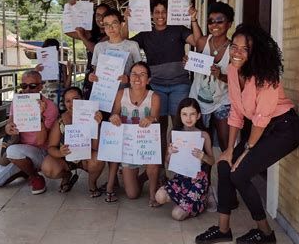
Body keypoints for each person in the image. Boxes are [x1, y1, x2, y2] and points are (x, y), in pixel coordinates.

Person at [195, 24, 299, 244]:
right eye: (234, 47)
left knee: (240, 173)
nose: (237, 53)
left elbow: (262, 119)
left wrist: (245, 152)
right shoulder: (234, 71)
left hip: (283, 129)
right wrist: (229, 149)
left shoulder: (266, 77)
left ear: (255, 52)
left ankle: (265, 232)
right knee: (225, 165)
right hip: (260, 127)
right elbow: (236, 111)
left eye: (245, 49)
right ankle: (223, 228)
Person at [123, 0, 202, 155]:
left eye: (164, 12)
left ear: (169, 13)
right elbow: (125, 42)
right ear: (151, 15)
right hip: (156, 86)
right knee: (159, 128)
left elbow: (197, 42)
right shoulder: (145, 34)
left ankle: (180, 167)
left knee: (180, 126)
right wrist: (126, 20)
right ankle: (160, 171)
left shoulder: (178, 29)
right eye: (157, 12)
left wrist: (194, 20)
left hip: (180, 84)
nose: (161, 15)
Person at [0, 70, 59, 194]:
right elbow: (10, 123)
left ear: (41, 86)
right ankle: (24, 169)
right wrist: (9, 128)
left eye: (32, 86)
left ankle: (35, 176)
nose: (28, 89)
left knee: (12, 151)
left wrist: (39, 115)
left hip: (41, 151)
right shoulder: (18, 101)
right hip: (20, 149)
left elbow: (41, 140)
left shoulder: (50, 107)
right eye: (24, 86)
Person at [105, 62, 161, 205]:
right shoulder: (120, 94)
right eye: (134, 74)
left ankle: (152, 194)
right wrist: (113, 117)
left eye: (142, 75)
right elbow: (113, 114)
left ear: (148, 80)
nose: (137, 78)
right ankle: (142, 177)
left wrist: (151, 118)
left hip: (145, 145)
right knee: (132, 194)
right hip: (127, 147)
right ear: (129, 77)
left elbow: (155, 118)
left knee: (154, 161)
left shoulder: (154, 97)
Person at [155, 98, 214, 220]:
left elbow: (212, 161)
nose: (188, 118)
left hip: (197, 181)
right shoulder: (174, 133)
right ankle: (186, 201)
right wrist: (170, 153)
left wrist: (203, 156)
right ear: (180, 115)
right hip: (181, 178)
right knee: (159, 197)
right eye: (185, 114)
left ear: (198, 116)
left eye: (192, 114)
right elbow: (167, 161)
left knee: (177, 215)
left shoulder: (203, 135)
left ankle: (203, 199)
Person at [41, 87, 105, 197]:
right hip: (65, 159)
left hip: (85, 158)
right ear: (64, 103)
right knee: (47, 167)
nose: (72, 104)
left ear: (82, 99)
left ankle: (92, 183)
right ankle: (66, 175)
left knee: (98, 159)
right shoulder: (60, 121)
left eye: (75, 99)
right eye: (68, 101)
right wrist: (60, 153)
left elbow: (96, 147)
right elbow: (51, 147)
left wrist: (97, 125)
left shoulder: (92, 117)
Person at [189, 2, 235, 151]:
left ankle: (226, 173)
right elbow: (196, 57)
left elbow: (238, 81)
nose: (214, 25)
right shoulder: (203, 42)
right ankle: (203, 175)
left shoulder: (233, 50)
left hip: (222, 100)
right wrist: (188, 62)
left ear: (229, 24)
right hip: (198, 99)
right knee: (201, 143)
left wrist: (220, 76)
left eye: (220, 21)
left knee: (225, 142)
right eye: (210, 21)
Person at [65, 2, 109, 98]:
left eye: (104, 15)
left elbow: (95, 49)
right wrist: (71, 8)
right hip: (90, 75)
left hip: (107, 76)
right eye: (98, 15)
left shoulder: (111, 34)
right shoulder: (90, 34)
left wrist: (82, 36)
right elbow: (68, 31)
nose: (100, 18)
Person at [89, 8, 142, 89]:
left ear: (121, 25)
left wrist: (128, 79)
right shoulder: (99, 47)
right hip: (105, 93)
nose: (110, 27)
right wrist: (93, 77)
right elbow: (96, 71)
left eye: (114, 23)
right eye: (106, 24)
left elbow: (140, 71)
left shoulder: (132, 46)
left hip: (127, 93)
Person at [35, 38, 72, 109]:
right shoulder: (39, 67)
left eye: (53, 50)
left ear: (57, 51)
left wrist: (70, 72)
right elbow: (34, 85)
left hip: (59, 102)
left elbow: (67, 86)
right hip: (45, 103)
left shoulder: (62, 66)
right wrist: (36, 71)